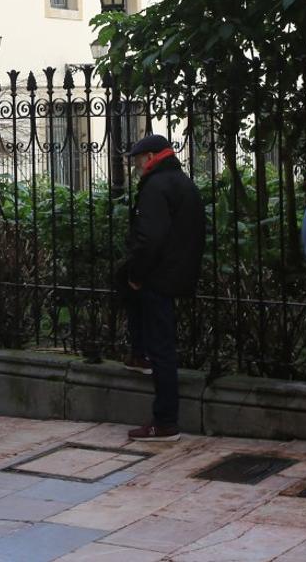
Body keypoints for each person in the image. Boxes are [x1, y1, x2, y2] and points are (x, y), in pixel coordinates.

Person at [119, 134, 206, 443]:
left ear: (152, 156)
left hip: (158, 276)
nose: (137, 167)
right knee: (158, 339)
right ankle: (138, 353)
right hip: (178, 273)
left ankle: (165, 421)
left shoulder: (156, 187)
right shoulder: (182, 182)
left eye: (139, 160)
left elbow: (149, 239)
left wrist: (137, 274)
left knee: (163, 349)